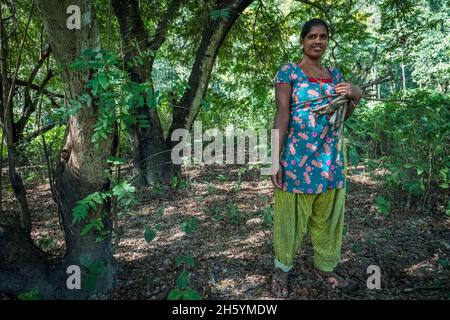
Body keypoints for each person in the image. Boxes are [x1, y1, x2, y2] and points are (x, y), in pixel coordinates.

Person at [270, 18, 362, 298]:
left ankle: (324, 267)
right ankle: (282, 269)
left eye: (323, 37)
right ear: (302, 41)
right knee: (290, 220)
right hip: (298, 160)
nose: (317, 41)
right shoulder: (289, 72)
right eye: (312, 36)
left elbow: (341, 117)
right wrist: (275, 160)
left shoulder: (335, 76)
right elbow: (282, 114)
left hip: (330, 160)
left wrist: (356, 96)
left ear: (327, 41)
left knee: (328, 217)